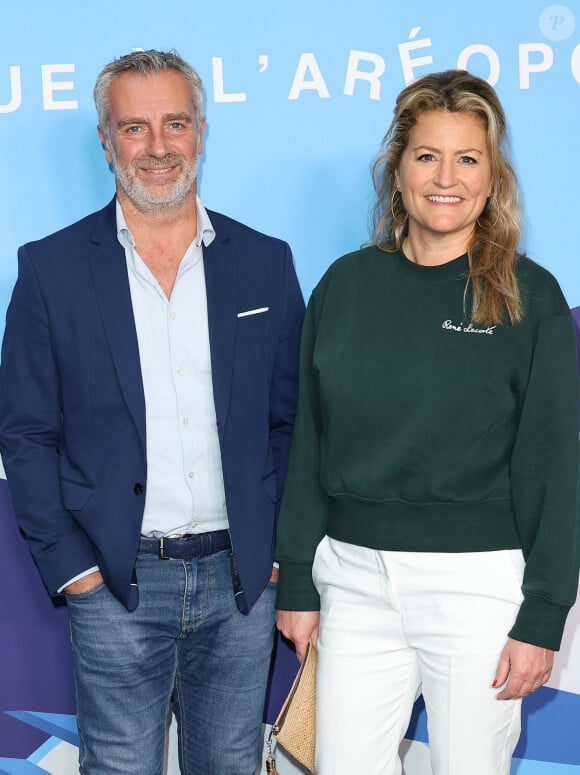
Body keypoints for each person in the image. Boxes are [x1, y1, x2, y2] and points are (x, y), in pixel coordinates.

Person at [0, 49, 304, 774]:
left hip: (241, 581)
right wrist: (75, 569)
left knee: (229, 764)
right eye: (135, 128)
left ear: (201, 131)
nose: (159, 147)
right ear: (106, 141)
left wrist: (275, 556)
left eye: (175, 123)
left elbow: (294, 421)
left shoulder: (266, 261)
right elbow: (26, 431)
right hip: (116, 580)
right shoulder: (50, 268)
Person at [275, 69, 579, 775]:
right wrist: (297, 581)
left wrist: (542, 615)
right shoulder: (345, 286)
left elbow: (556, 469)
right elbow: (311, 442)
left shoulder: (530, 298)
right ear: (398, 168)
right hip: (352, 582)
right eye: (427, 156)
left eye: (467, 158)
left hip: (478, 590)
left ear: (492, 174)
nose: (446, 178)